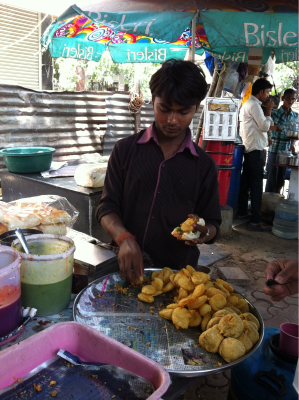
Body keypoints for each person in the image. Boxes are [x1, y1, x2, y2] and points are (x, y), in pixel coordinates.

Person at [96, 59, 221, 284]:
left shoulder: (204, 165)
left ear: (196, 108)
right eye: (164, 109)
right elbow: (107, 208)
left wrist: (203, 231)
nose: (172, 120)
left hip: (178, 278)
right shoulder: (125, 150)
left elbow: (213, 223)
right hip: (126, 270)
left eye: (183, 112)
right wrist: (124, 238)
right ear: (153, 100)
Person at [237, 78, 278, 231]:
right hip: (254, 150)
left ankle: (242, 212)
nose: (268, 96)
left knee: (246, 183)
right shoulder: (254, 105)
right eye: (267, 92)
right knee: (255, 185)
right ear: (260, 92)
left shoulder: (249, 103)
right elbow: (264, 126)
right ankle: (255, 220)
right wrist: (269, 111)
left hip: (251, 149)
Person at [265, 89, 298, 194]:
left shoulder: (296, 116)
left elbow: (295, 132)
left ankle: (277, 200)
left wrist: (292, 144)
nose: (291, 101)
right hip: (274, 149)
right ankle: (267, 202)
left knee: (281, 178)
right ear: (283, 98)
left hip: (286, 151)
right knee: (271, 177)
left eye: (293, 99)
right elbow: (266, 126)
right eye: (288, 98)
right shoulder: (274, 113)